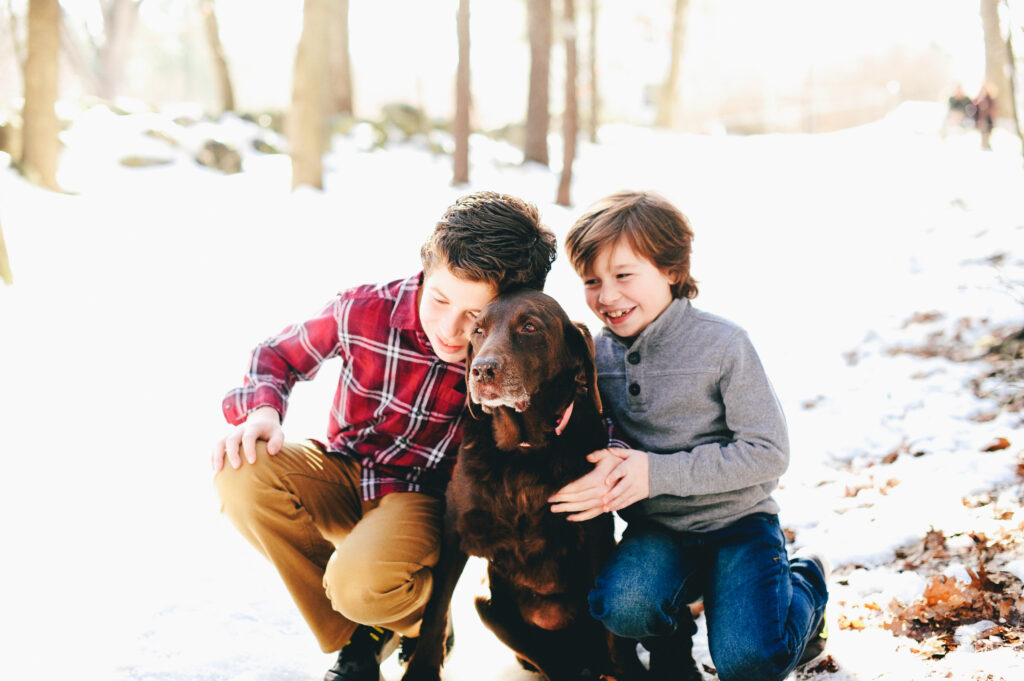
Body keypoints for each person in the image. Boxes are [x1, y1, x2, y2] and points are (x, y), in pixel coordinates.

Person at [212, 191, 557, 681]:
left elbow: (566, 415)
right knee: (240, 472)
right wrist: (263, 411)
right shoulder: (365, 308)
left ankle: (418, 617)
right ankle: (367, 630)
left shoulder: (516, 350)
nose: (451, 330)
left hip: (420, 500)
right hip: (346, 468)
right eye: (439, 299)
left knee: (360, 583)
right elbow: (278, 355)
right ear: (425, 267)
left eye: (475, 318)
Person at [548, 190, 830, 681]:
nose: (606, 296)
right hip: (658, 530)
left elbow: (768, 452)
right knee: (623, 607)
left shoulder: (723, 345)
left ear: (672, 271)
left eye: (623, 275)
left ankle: (807, 584)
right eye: (591, 281)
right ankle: (672, 643)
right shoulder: (594, 356)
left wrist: (656, 473)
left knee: (749, 662)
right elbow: (604, 431)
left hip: (738, 524)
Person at [973, 83, 996, 150]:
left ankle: (987, 143)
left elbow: (993, 107)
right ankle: (983, 144)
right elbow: (975, 106)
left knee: (988, 131)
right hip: (981, 118)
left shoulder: (990, 98)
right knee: (983, 131)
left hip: (988, 118)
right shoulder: (978, 98)